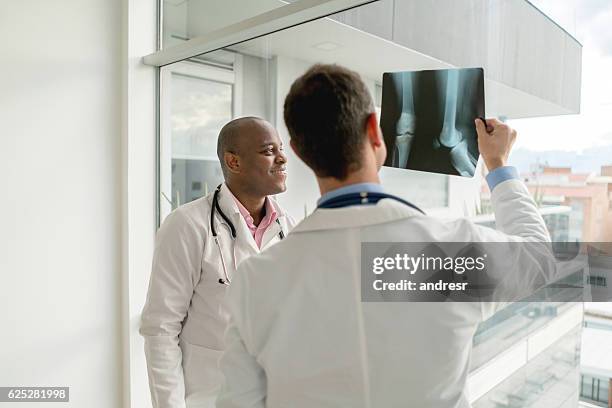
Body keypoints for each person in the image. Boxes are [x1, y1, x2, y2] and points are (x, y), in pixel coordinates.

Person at [216, 65, 551, 407]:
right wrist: (498, 164)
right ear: (376, 132)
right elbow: (540, 259)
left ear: (299, 153)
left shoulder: (256, 281)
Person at [140, 117, 296, 408]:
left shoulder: (289, 227)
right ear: (233, 161)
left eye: (281, 148)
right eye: (268, 150)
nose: (283, 158)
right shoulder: (187, 225)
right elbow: (161, 327)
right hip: (210, 397)